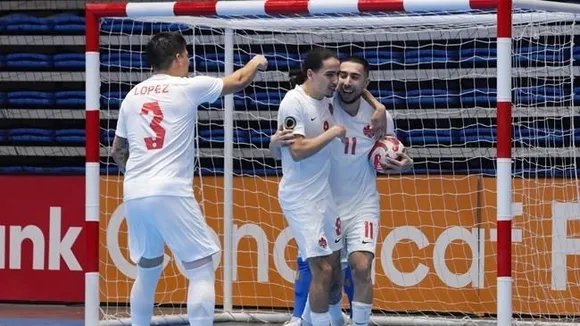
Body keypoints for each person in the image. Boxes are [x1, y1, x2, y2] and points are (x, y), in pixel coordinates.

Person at [110, 31, 267, 326]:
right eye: (187, 55)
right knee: (201, 268)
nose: (189, 61)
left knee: (148, 270)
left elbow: (118, 149)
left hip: (134, 190)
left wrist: (140, 177)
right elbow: (238, 81)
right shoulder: (186, 87)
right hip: (170, 189)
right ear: (179, 57)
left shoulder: (131, 96)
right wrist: (257, 61)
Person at [272, 56, 412, 325]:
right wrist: (273, 142)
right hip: (324, 202)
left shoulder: (380, 118)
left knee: (361, 266)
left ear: (366, 82)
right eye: (342, 75)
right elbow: (295, 138)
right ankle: (316, 318)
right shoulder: (325, 103)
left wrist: (406, 163)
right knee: (327, 273)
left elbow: (394, 151)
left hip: (363, 203)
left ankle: (357, 322)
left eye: (354, 77)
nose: (346, 82)